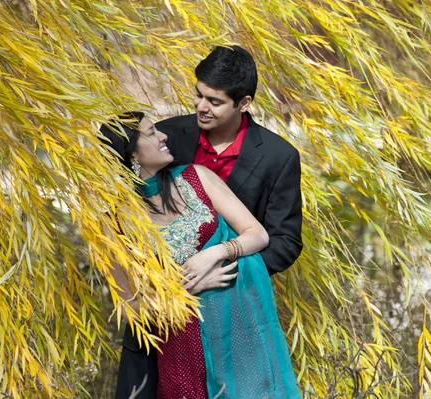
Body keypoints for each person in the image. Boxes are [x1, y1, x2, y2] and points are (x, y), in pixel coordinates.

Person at [116, 46, 303, 398]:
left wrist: (225, 271)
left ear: (243, 103)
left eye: (215, 101)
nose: (202, 107)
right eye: (199, 95)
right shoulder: (167, 137)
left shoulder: (279, 157)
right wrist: (182, 288)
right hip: (162, 327)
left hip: (238, 315)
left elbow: (285, 241)